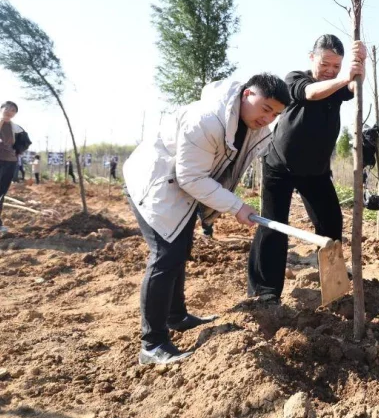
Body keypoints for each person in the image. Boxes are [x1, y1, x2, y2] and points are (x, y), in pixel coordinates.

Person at [123, 73, 289, 365]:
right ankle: (152, 345)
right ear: (247, 94)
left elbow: (225, 169)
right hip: (156, 181)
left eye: (275, 114)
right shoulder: (205, 120)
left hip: (183, 186)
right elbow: (191, 177)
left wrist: (218, 205)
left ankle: (176, 316)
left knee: (181, 247)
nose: (268, 119)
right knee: (166, 254)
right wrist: (235, 206)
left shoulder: (254, 128)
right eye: (265, 109)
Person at [248, 35, 366, 303]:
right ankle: (265, 292)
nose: (331, 71)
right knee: (274, 225)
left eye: (337, 66)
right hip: (279, 166)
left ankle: (334, 281)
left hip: (316, 171)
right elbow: (312, 93)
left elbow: (355, 88)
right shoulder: (294, 79)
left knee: (331, 223)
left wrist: (361, 67)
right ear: (311, 57)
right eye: (326, 64)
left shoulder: (337, 85)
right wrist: (344, 77)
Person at [1, 102, 25, 234]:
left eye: (13, 110)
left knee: (1, 193)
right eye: (8, 109)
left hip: (10, 162)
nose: (10, 111)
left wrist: (17, 152)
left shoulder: (16, 128)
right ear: (1, 109)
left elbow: (24, 143)